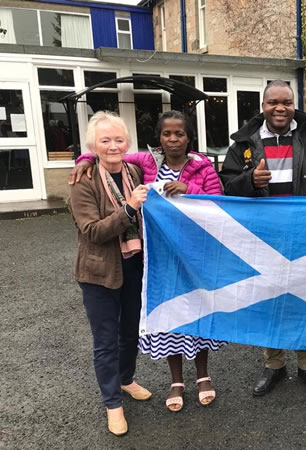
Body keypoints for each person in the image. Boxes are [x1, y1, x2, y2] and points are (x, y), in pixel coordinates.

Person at [69, 110, 225, 412]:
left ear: (189, 138)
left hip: (195, 255)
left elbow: (218, 203)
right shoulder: (147, 163)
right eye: (167, 133)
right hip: (160, 258)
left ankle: (202, 375)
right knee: (169, 316)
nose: (173, 139)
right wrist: (85, 159)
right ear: (158, 138)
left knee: (197, 313)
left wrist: (190, 189)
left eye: (179, 133)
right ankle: (175, 381)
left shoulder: (202, 166)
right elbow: (108, 156)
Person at [219, 80, 306, 398]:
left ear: (294, 105)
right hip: (263, 239)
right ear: (263, 106)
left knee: (305, 297)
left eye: (287, 102)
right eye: (273, 102)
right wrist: (249, 180)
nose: (280, 108)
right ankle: (274, 364)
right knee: (270, 301)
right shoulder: (243, 145)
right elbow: (226, 186)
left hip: (304, 236)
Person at [69, 111, 151, 436]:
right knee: (105, 341)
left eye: (119, 139)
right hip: (98, 272)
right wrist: (129, 208)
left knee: (130, 332)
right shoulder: (83, 180)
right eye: (105, 140)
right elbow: (92, 231)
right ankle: (113, 403)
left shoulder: (133, 171)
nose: (113, 146)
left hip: (133, 266)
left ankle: (126, 379)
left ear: (127, 143)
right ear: (93, 146)